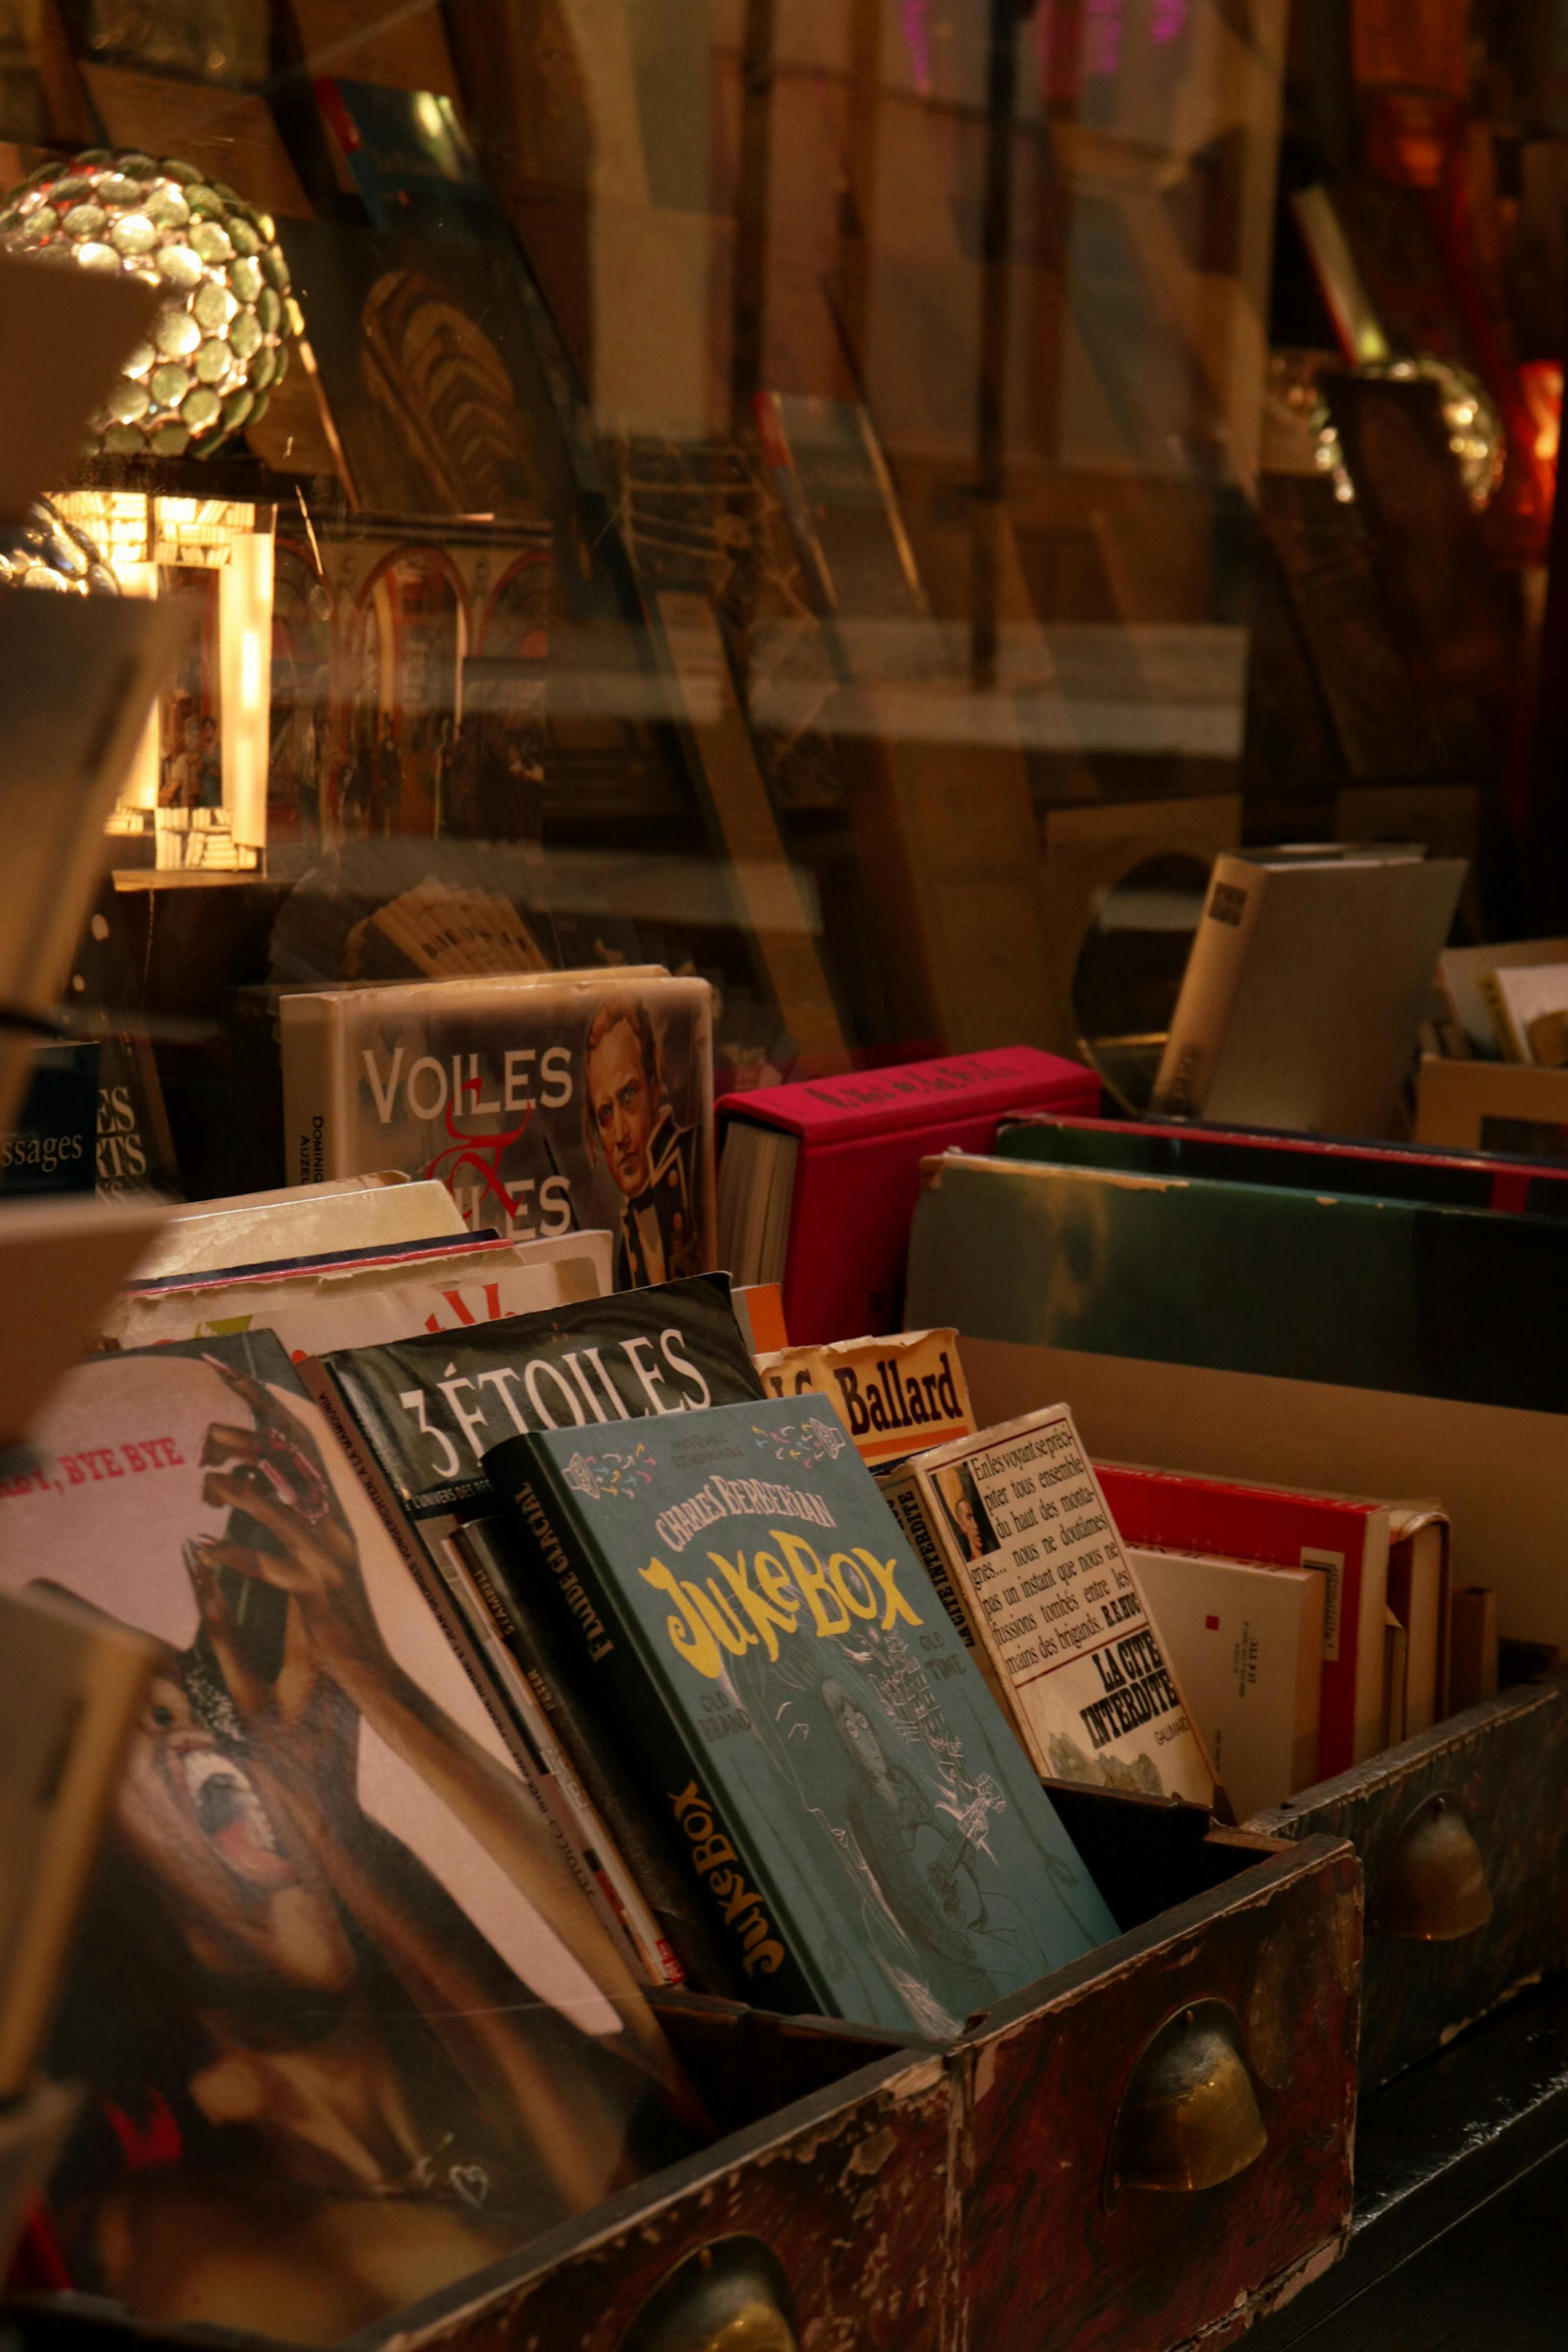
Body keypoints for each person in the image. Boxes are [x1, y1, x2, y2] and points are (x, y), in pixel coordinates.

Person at [46, 1365, 700, 2343]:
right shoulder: (166, 2233)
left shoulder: (504, 2056)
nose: (192, 1733)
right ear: (102, 1898)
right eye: (131, 1730)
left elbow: (665, 2141)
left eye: (181, 1701)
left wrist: (373, 1682)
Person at [583, 997, 704, 1288]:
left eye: (628, 1095)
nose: (621, 1136)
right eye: (606, 1114)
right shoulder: (627, 1252)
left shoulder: (697, 1164)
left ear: (653, 1084)